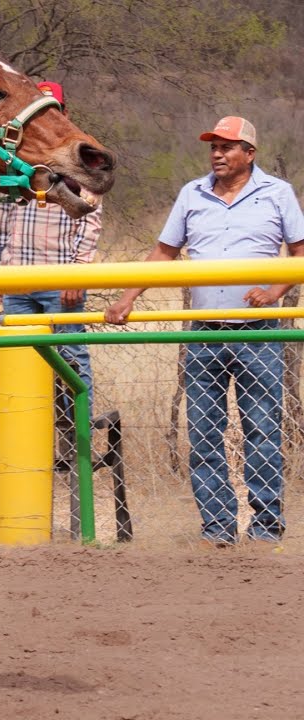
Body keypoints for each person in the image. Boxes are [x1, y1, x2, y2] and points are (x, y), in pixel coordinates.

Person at [106, 116, 304, 545]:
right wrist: (128, 298)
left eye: (227, 147)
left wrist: (274, 293)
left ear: (249, 154)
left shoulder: (276, 193)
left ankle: (266, 527)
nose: (217, 153)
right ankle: (217, 528)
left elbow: (301, 251)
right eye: (213, 146)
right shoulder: (192, 194)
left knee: (263, 430)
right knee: (205, 432)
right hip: (204, 334)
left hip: (258, 332)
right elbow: (164, 252)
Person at [0, 82, 103, 418]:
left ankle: (76, 430)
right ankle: (21, 428)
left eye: (53, 108)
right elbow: (4, 214)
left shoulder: (82, 162)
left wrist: (77, 274)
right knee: (17, 355)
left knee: (71, 355)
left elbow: (91, 222)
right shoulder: (19, 162)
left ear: (63, 112)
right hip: (18, 279)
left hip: (59, 279)